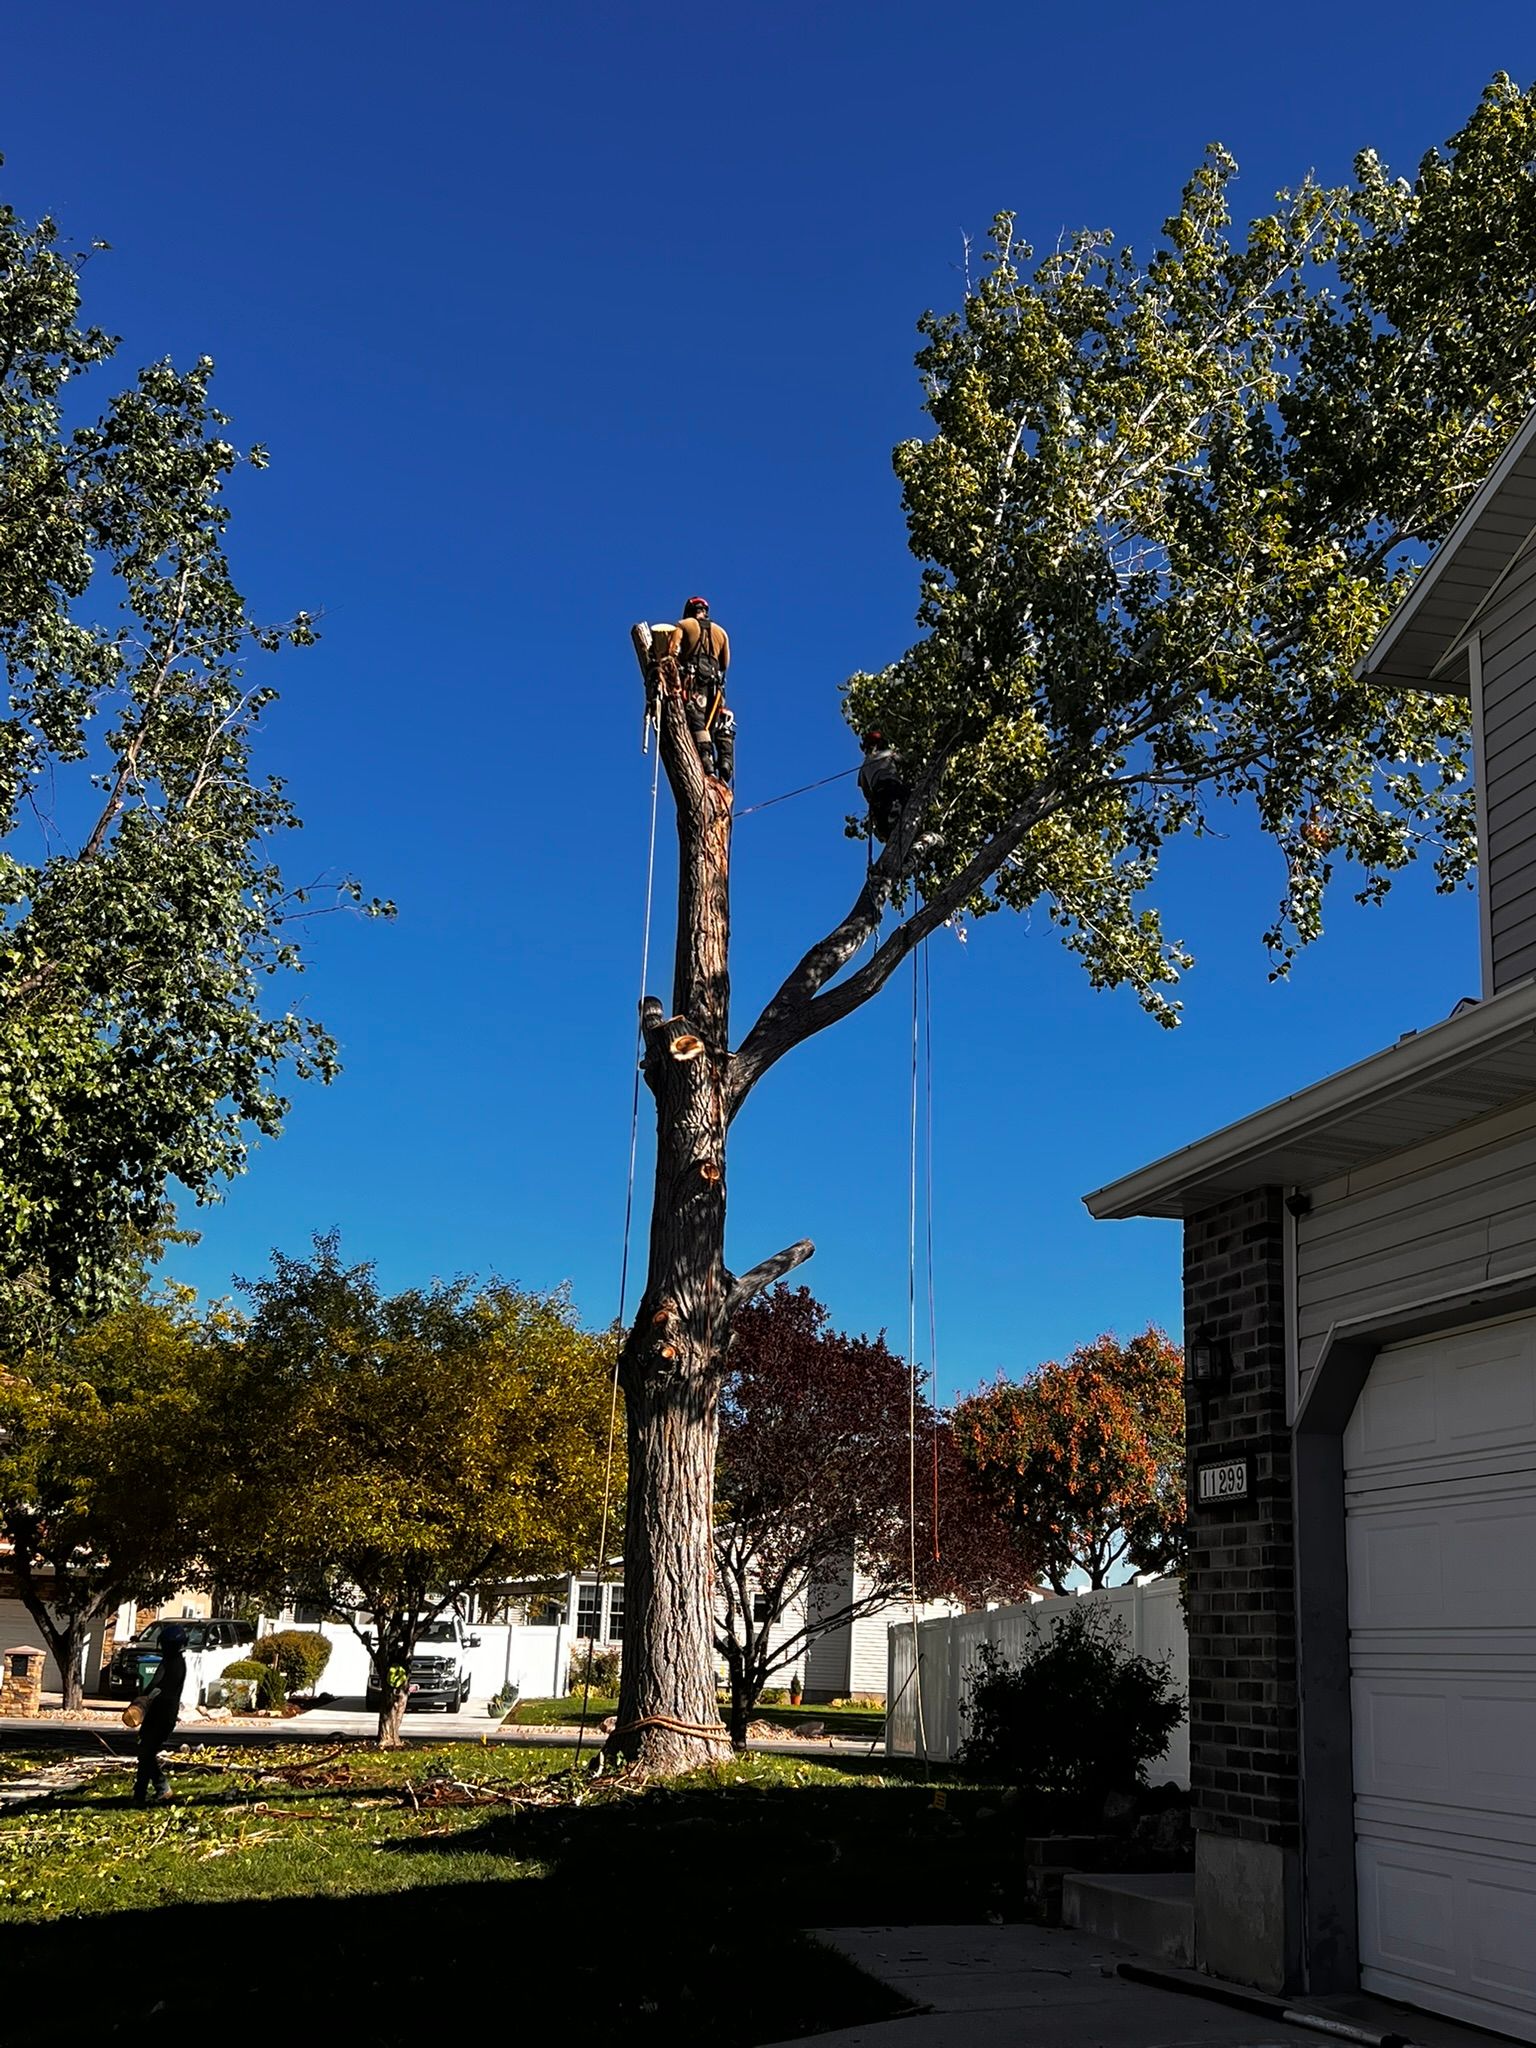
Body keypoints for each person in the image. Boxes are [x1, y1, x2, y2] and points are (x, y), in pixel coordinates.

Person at [666, 597, 733, 784]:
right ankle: (726, 763)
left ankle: (707, 763)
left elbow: (672, 652)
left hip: (693, 683)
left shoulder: (683, 625)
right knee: (719, 725)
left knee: (698, 724)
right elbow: (725, 663)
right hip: (715, 689)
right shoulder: (721, 633)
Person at [131, 1622, 187, 1806]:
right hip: (155, 1714)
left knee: (146, 1752)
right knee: (145, 1752)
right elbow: (154, 1685)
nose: (163, 1648)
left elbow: (162, 1687)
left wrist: (148, 1697)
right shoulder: (168, 1661)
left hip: (164, 1715)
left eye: (165, 1644)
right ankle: (159, 1789)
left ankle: (143, 1793)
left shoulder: (176, 1664)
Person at [859, 729, 910, 841]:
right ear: (879, 743)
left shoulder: (863, 768)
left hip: (877, 796)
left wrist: (874, 803)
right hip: (892, 786)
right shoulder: (888, 753)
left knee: (885, 829)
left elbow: (866, 792)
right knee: (906, 807)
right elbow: (905, 762)